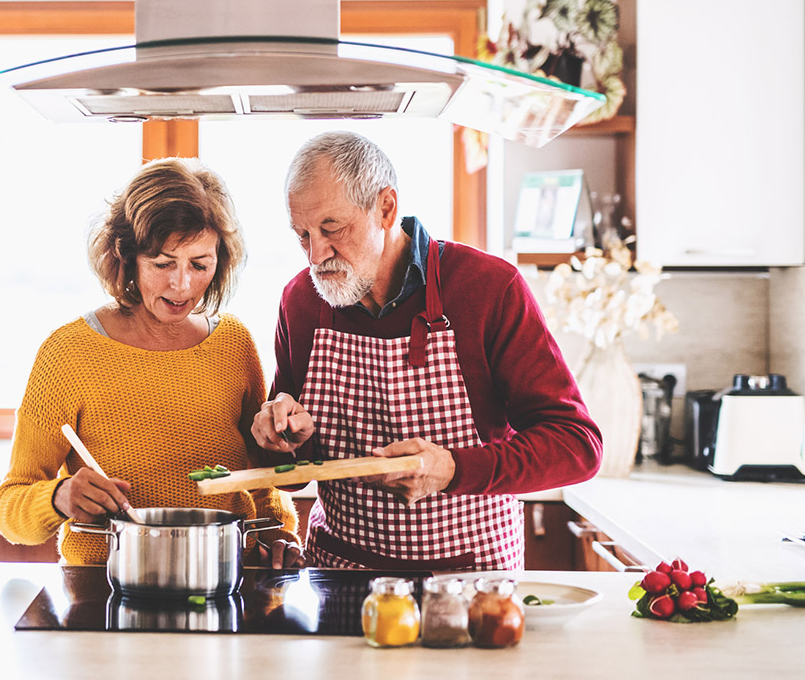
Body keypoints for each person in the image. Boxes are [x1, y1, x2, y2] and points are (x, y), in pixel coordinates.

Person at [251, 131, 601, 571]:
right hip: (339, 574)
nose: (316, 255)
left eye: (331, 228)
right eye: (302, 234)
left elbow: (577, 446)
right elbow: (288, 460)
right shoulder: (301, 301)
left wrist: (453, 468)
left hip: (470, 579)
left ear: (385, 207)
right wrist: (284, 436)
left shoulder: (488, 288)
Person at [0, 157, 302, 568]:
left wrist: (279, 533)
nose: (182, 285)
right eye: (162, 264)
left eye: (200, 264)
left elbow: (260, 476)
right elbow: (12, 508)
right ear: (126, 257)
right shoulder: (68, 353)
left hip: (224, 576)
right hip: (106, 588)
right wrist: (58, 497)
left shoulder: (233, 343)